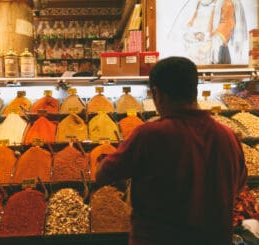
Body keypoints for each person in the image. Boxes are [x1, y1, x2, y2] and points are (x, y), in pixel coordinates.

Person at [96, 56, 247, 244]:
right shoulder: (229, 137)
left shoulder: (149, 135)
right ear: (194, 90)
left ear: (157, 93)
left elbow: (103, 174)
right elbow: (239, 185)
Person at [168, 0, 247, 64]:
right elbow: (189, 23)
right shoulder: (198, 3)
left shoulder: (227, 2)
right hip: (196, 50)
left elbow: (226, 26)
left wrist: (208, 41)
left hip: (216, 52)